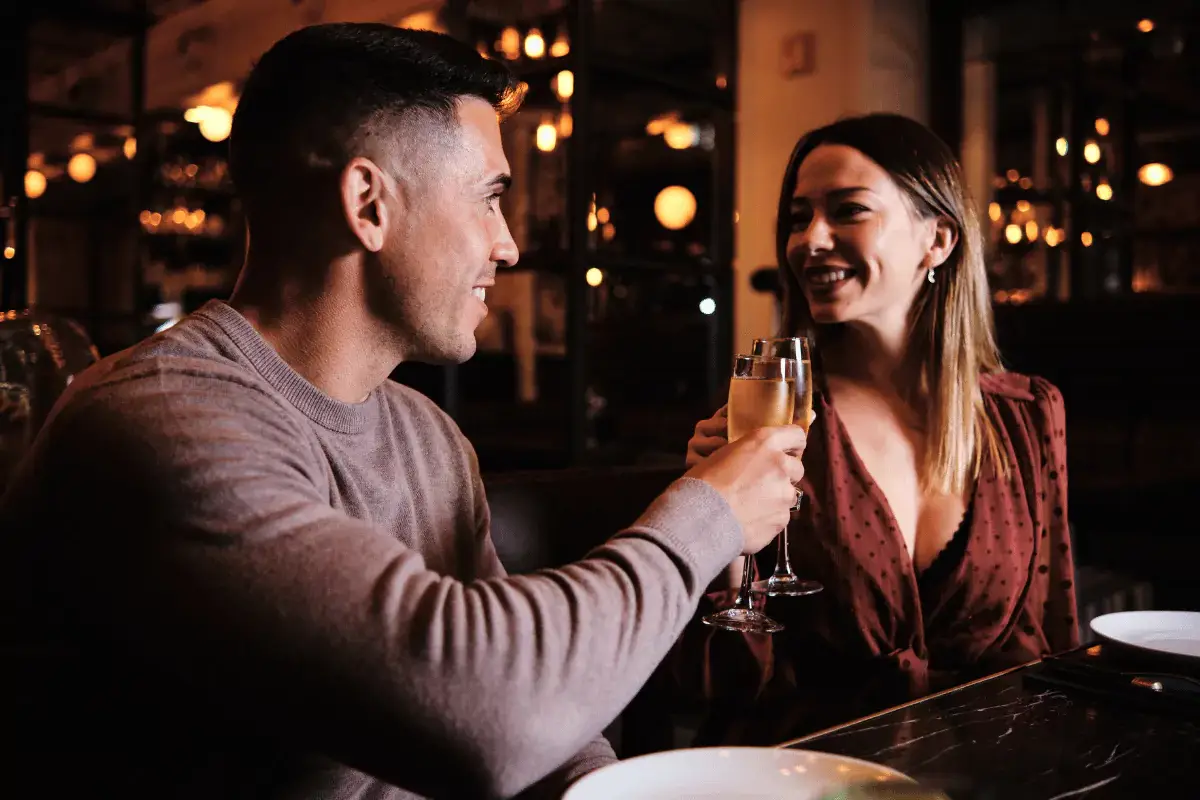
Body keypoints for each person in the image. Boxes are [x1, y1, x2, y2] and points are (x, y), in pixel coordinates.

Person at [0, 24, 809, 799]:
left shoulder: (429, 436)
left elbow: (547, 730)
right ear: (370, 204)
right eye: (490, 198)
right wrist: (708, 515)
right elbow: (489, 713)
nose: (509, 244)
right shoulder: (159, 422)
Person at [682, 113, 1079, 743]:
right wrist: (716, 534)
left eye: (848, 211)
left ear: (938, 240)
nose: (809, 239)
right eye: (797, 217)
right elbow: (730, 685)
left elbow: (1055, 636)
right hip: (812, 772)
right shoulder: (776, 417)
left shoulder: (1026, 415)